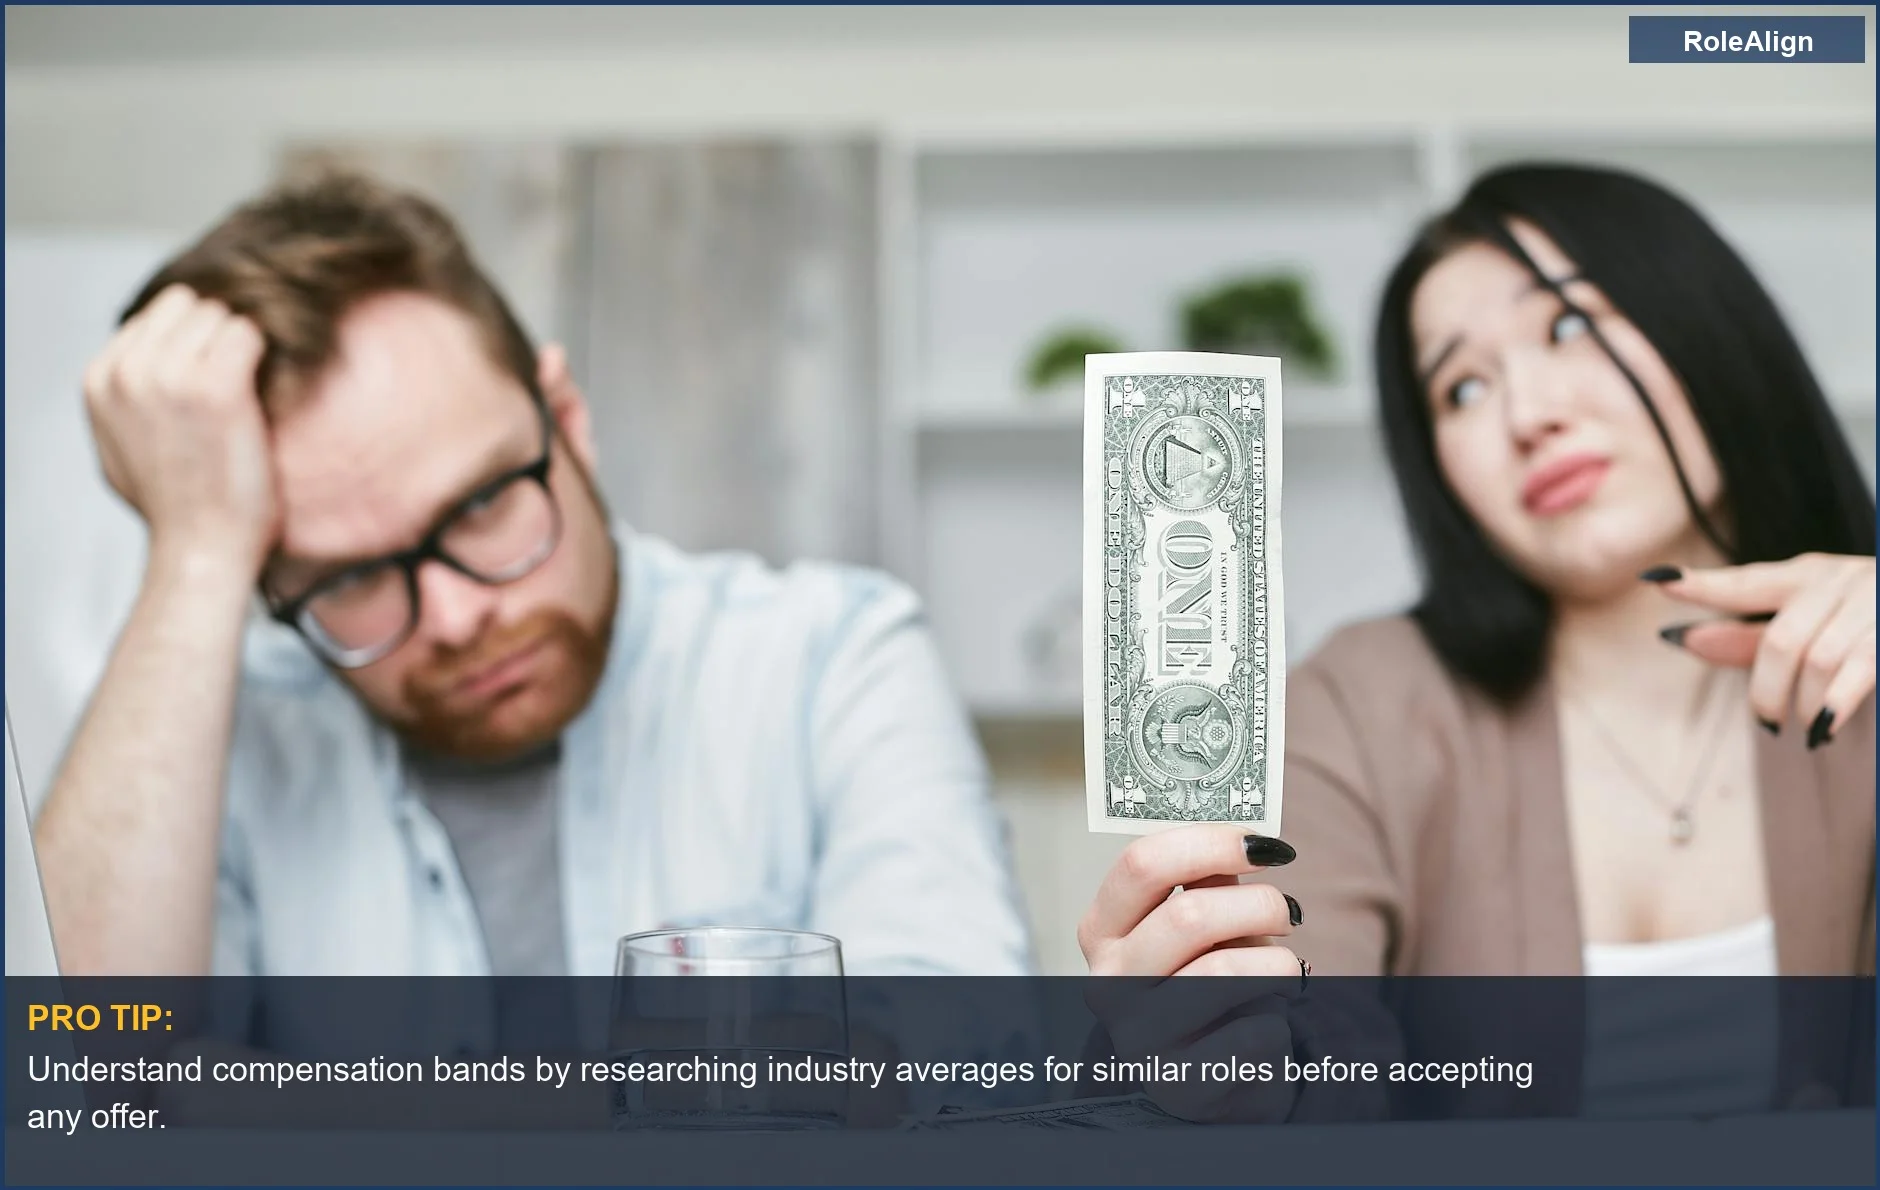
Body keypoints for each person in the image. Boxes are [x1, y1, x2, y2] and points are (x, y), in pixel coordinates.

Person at [33, 173, 1032, 1007]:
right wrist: (195, 553)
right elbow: (82, 1093)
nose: (459, 617)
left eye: (478, 506)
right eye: (352, 576)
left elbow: (950, 1091)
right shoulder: (223, 744)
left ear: (566, 419)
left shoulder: (831, 659)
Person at [1078, 162, 1876, 1119]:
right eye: (1460, 389)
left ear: (1707, 320)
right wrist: (1218, 1078)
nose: (1528, 415)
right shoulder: (1358, 704)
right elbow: (1304, 1051)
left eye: (1570, 325)